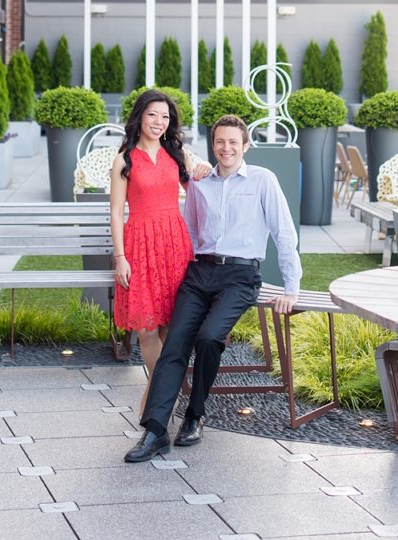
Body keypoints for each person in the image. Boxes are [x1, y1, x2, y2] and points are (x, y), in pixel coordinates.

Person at [124, 113, 301, 462]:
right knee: (174, 343)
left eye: (233, 142)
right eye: (220, 141)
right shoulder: (200, 183)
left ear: (246, 146)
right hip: (199, 273)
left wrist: (291, 287)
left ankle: (194, 414)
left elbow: (284, 234)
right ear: (213, 145)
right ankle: (155, 431)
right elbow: (188, 233)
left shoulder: (263, 180)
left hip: (241, 276)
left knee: (208, 337)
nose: (226, 148)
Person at [110, 88, 211, 417]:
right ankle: (159, 390)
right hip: (139, 245)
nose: (158, 122)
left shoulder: (177, 154)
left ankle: (155, 400)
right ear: (139, 117)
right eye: (153, 115)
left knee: (169, 325)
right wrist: (120, 257)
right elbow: (115, 213)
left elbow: (202, 183)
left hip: (173, 244)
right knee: (146, 328)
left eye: (165, 117)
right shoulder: (123, 160)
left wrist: (204, 168)